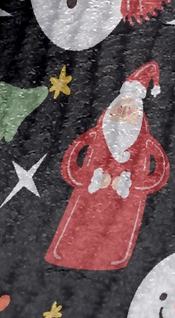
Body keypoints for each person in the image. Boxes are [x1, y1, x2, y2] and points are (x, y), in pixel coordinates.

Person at [45, 62, 168, 270]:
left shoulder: (145, 143)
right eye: (119, 108)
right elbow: (71, 161)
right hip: (86, 202)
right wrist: (86, 179)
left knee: (116, 234)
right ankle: (64, 254)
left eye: (129, 110)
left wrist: (133, 185)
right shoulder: (96, 135)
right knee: (77, 230)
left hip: (123, 208)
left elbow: (159, 172)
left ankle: (112, 260)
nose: (123, 113)